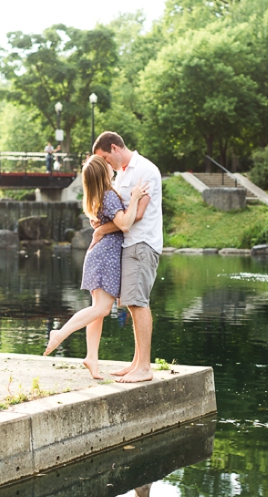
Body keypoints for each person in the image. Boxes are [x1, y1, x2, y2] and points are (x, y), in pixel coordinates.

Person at [43, 155, 149, 379]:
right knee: (101, 309)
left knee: (97, 311)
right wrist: (135, 198)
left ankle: (92, 357)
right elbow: (125, 224)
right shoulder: (109, 195)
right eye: (108, 166)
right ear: (103, 173)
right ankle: (59, 333)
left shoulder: (96, 197)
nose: (112, 167)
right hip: (106, 257)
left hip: (100, 255)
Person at [91, 131, 162, 383]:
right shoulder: (121, 172)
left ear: (114, 147)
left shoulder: (146, 170)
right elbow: (119, 213)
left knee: (138, 302)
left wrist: (101, 230)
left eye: (104, 158)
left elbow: (137, 215)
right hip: (128, 246)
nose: (105, 164)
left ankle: (144, 368)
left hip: (142, 245)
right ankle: (136, 362)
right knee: (132, 303)